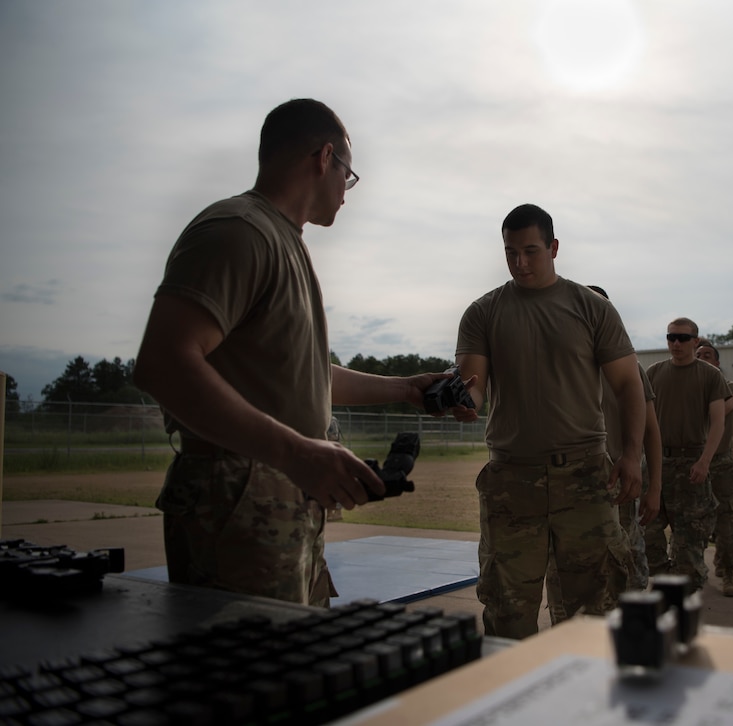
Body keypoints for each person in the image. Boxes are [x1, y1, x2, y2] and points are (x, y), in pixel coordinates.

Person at [133, 99, 452, 607]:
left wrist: (404, 388)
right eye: (348, 177)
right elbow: (164, 363)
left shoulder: (285, 241)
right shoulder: (239, 231)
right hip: (239, 495)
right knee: (249, 674)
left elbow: (302, 374)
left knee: (295, 672)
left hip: (283, 493)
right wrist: (294, 451)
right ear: (325, 157)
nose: (347, 193)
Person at [452, 203, 647, 640]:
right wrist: (465, 401)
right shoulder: (483, 313)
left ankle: (587, 702)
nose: (520, 263)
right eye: (510, 253)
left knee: (593, 609)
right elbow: (474, 384)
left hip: (584, 476)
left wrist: (631, 455)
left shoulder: (591, 308)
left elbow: (628, 386)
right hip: (512, 481)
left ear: (554, 248)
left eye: (531, 251)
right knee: (507, 609)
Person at [546, 285, 661, 608]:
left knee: (623, 564)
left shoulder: (632, 370)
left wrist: (655, 489)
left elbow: (652, 432)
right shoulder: (562, 367)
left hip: (618, 481)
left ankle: (626, 631)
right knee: (562, 569)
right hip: (571, 480)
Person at [643, 318, 727, 591]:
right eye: (670, 338)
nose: (675, 344)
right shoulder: (653, 373)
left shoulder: (710, 375)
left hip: (692, 463)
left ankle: (685, 587)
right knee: (647, 534)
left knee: (689, 539)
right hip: (657, 463)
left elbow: (718, 422)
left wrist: (704, 461)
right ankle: (670, 579)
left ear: (695, 341)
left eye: (681, 338)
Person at [694, 340, 733, 597]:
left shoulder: (729, 386)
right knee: (693, 519)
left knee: (727, 518)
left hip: (721, 463)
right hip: (692, 460)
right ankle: (693, 570)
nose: (702, 357)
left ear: (717, 362)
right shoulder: (687, 386)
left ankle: (728, 570)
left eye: (708, 355)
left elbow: (725, 409)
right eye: (699, 354)